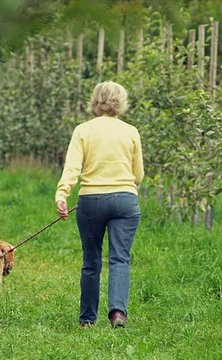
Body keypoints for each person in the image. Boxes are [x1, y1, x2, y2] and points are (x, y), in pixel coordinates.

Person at [55, 81, 144, 328]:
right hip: (125, 200)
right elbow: (138, 175)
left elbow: (72, 168)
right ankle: (118, 313)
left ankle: (87, 319)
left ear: (94, 102)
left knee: (91, 261)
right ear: (121, 102)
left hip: (91, 201)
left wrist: (62, 195)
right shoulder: (131, 131)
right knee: (120, 259)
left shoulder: (83, 130)